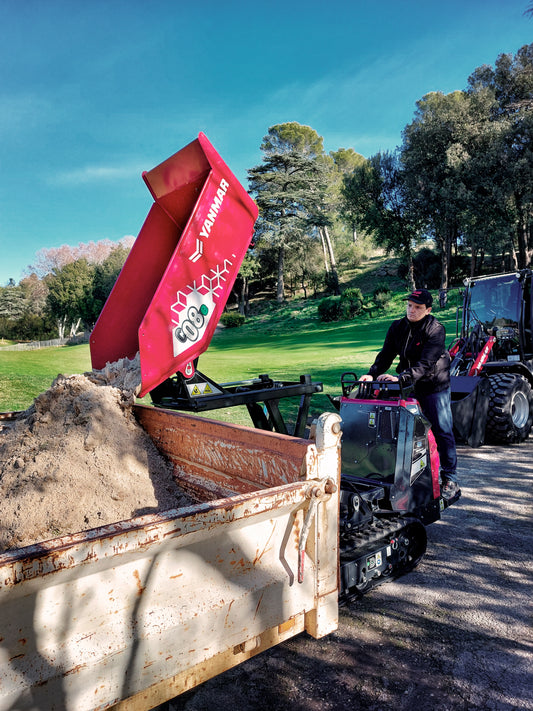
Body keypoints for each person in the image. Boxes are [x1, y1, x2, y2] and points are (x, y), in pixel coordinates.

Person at [359, 288, 460, 500]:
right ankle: (403, 476)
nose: (411, 310)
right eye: (409, 306)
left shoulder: (436, 330)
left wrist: (400, 378)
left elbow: (426, 364)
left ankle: (450, 478)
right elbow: (386, 355)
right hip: (407, 384)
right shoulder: (397, 327)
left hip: (434, 385)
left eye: (417, 307)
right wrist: (371, 374)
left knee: (442, 429)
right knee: (401, 430)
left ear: (428, 310)